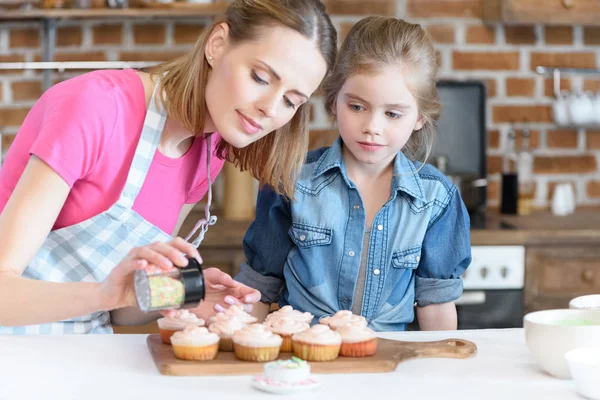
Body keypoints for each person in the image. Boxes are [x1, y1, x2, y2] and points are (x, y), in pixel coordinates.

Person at [0, 0, 337, 334]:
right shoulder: (96, 108)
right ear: (217, 45)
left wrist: (184, 294)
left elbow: (121, 312)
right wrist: (106, 294)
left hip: (79, 353)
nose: (269, 108)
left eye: (291, 101)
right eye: (260, 77)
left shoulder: (206, 156)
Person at [235, 16, 471, 331]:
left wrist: (440, 376)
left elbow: (437, 306)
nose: (372, 127)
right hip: (304, 361)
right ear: (334, 102)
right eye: (357, 107)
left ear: (419, 118)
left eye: (392, 114)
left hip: (388, 366)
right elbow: (259, 289)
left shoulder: (438, 199)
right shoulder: (289, 181)